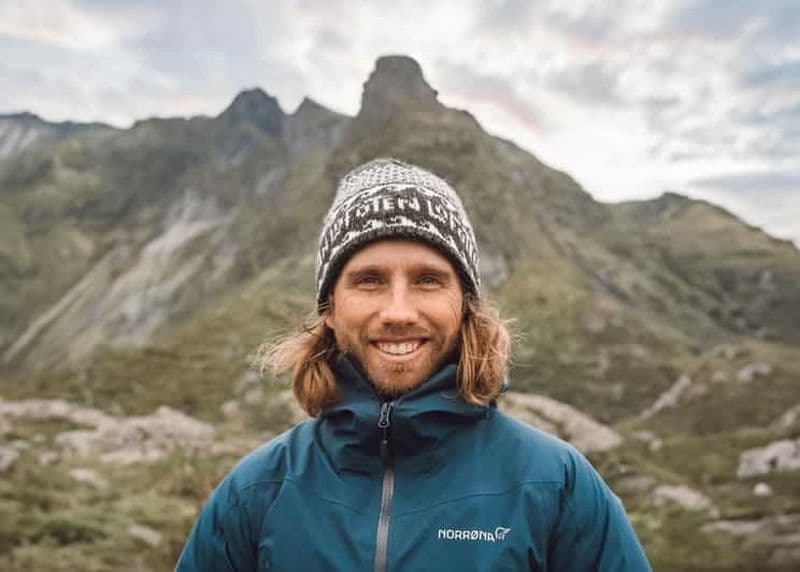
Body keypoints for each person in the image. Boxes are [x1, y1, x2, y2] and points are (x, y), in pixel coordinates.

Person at [176, 158, 652, 571]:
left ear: (464, 305)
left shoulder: (557, 486)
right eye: (369, 280)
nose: (399, 312)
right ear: (330, 310)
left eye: (427, 279)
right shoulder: (255, 492)